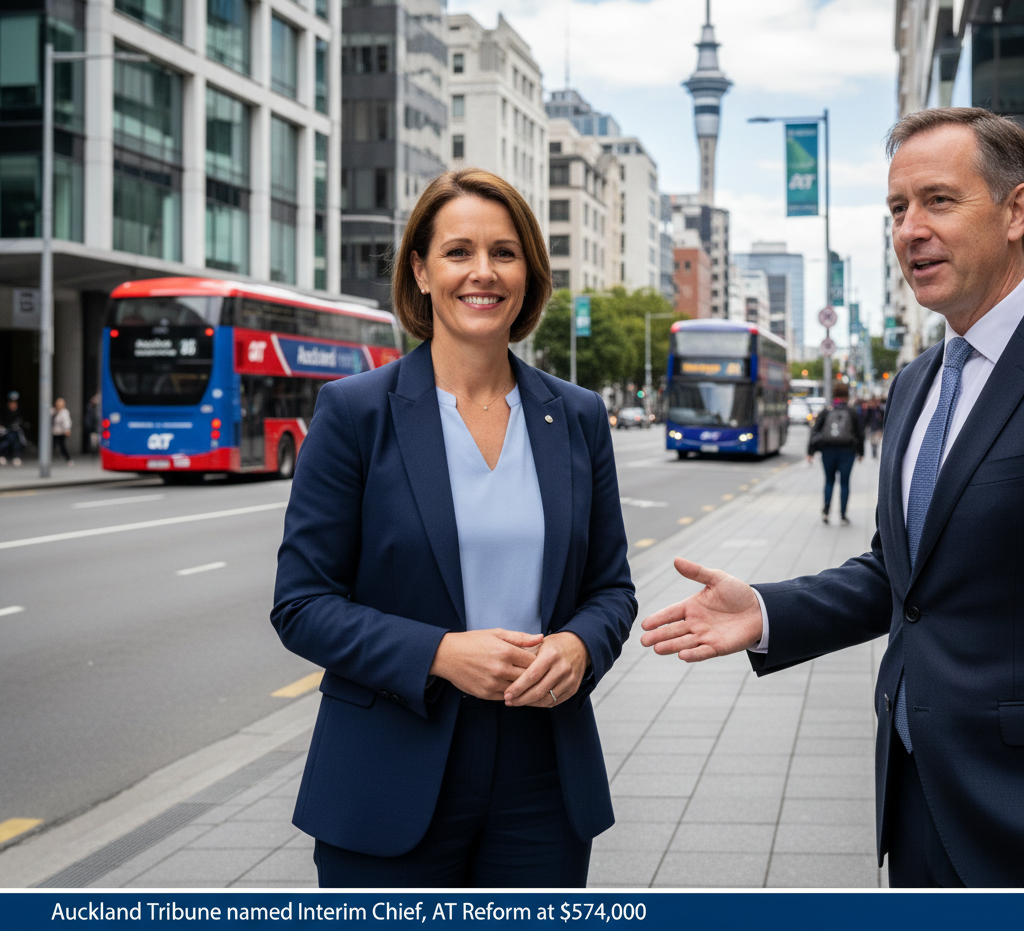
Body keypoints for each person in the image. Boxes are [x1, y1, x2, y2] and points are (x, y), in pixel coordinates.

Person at [638, 107, 1024, 888]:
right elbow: (903, 576)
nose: (910, 228)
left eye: (939, 201)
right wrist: (767, 612)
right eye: (896, 208)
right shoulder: (917, 383)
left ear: (1017, 211)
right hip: (916, 794)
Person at [271, 168, 637, 888]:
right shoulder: (354, 414)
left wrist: (578, 645)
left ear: (529, 273)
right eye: (459, 251)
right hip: (389, 766)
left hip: (542, 773)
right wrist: (439, 652)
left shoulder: (579, 417)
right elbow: (302, 605)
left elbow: (611, 589)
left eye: (504, 252)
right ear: (420, 270)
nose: (484, 272)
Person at [807, 383, 864, 525]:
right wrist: (861, 452)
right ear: (847, 395)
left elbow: (815, 431)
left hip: (828, 450)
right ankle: (843, 514)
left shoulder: (826, 411)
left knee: (829, 481)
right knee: (844, 483)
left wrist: (811, 452)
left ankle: (826, 511)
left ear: (834, 394)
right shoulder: (852, 412)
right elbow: (860, 433)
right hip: (847, 451)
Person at [0, 391, 26, 466]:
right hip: (6, 429)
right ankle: (2, 455)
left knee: (17, 442)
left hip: (16, 430)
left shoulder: (20, 410)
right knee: (5, 442)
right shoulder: (4, 411)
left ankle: (16, 456)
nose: (13, 405)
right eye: (11, 403)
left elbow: (22, 420)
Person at [52, 397, 73, 466]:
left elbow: (67, 422)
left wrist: (67, 429)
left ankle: (68, 459)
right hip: (54, 432)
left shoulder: (64, 412)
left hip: (61, 432)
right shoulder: (53, 411)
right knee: (52, 446)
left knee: (62, 446)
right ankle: (48, 460)